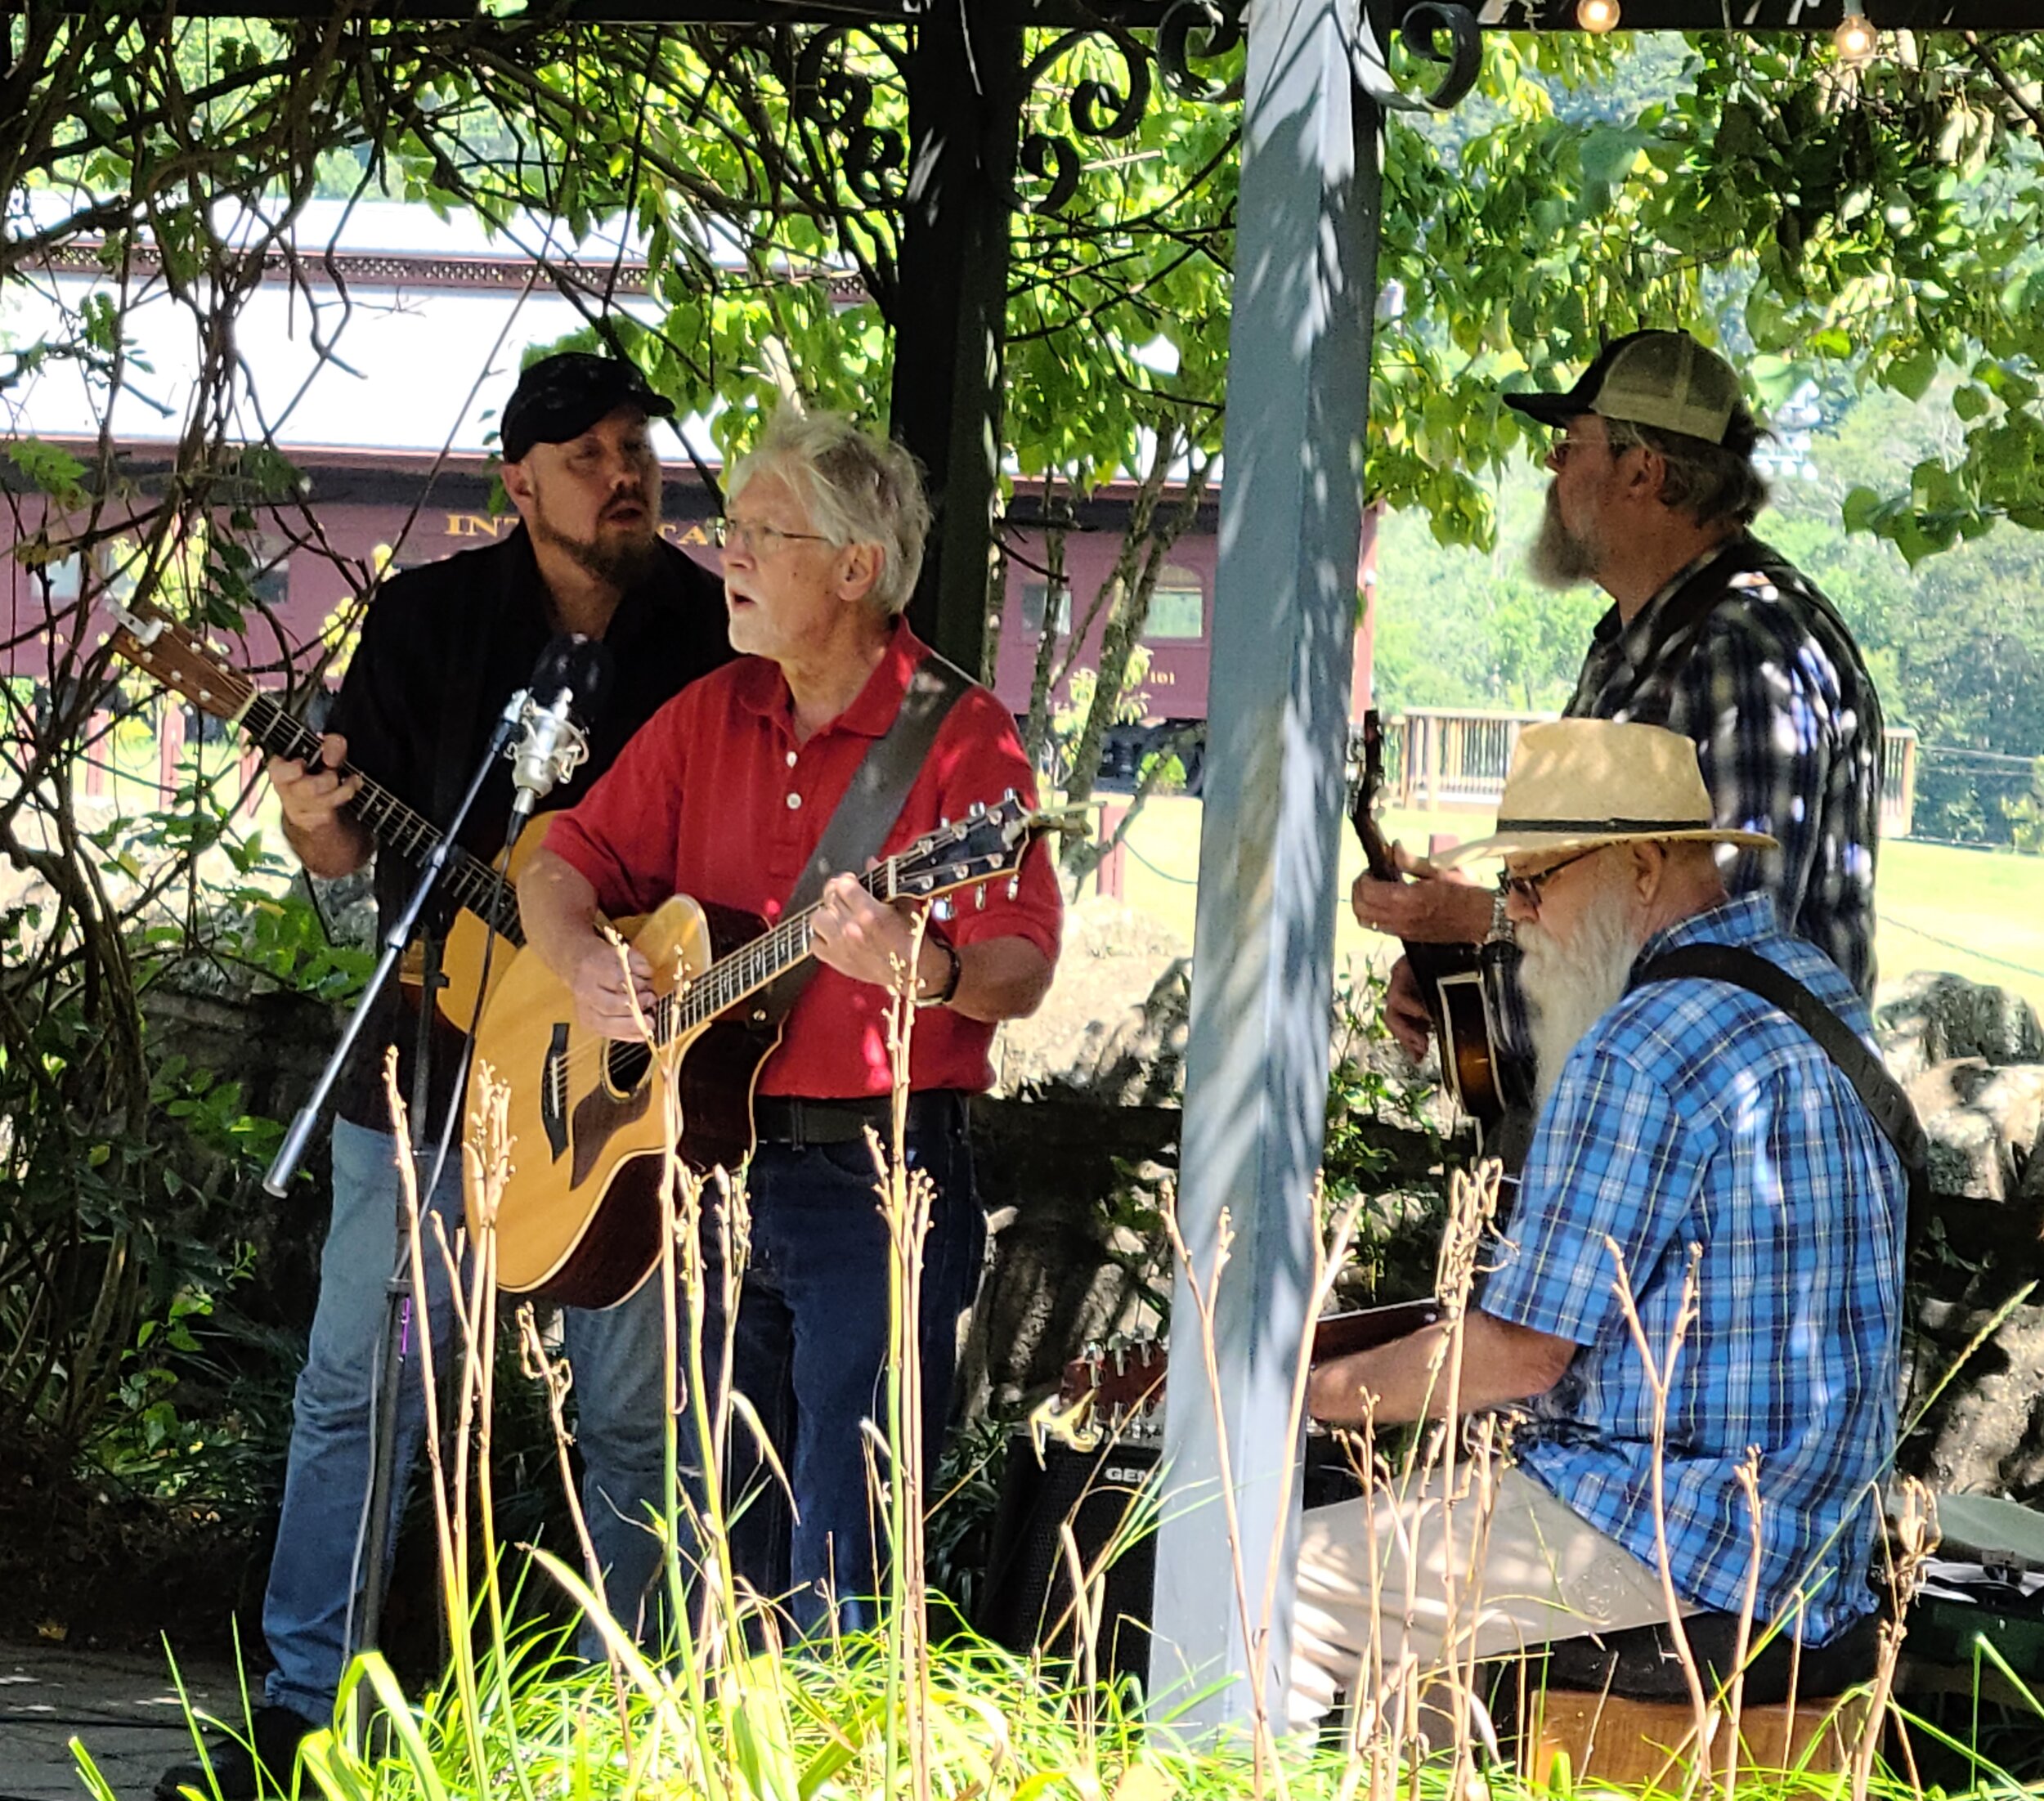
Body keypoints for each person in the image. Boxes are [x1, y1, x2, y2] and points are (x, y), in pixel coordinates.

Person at [159, 352, 732, 1800]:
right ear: (519, 481)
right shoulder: (428, 620)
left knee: (634, 1418)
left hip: (617, 1090)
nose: (626, 472)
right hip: (425, 1067)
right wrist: (311, 812)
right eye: (590, 452)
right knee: (359, 1393)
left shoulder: (709, 628)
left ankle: (626, 1733)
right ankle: (308, 1722)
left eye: (636, 446)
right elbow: (348, 849)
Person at [516, 405, 1062, 1637]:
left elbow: (1021, 964)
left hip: (879, 1181)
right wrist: (583, 961)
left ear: (857, 567)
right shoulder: (713, 712)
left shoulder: (964, 739)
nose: (733, 553)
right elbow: (559, 861)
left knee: (844, 1549)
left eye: (768, 533)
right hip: (713, 1171)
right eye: (734, 527)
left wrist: (924, 971)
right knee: (724, 1539)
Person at [1293, 719, 1906, 1729]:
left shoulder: (1636, 1045)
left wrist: (1308, 1395)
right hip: (1812, 1550)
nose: (1516, 918)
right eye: (1510, 891)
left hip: (1677, 1534)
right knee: (1414, 1620)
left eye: (1535, 884)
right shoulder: (1812, 989)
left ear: (1644, 865)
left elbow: (1521, 1351)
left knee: (1285, 1584)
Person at [1353, 329, 1885, 1084]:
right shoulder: (1641, 639)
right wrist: (1464, 966)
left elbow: (1721, 955)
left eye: (1571, 444)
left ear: (1643, 471)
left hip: (1721, 1141)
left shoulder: (1741, 652)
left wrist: (1486, 923)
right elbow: (1604, 916)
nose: (1552, 465)